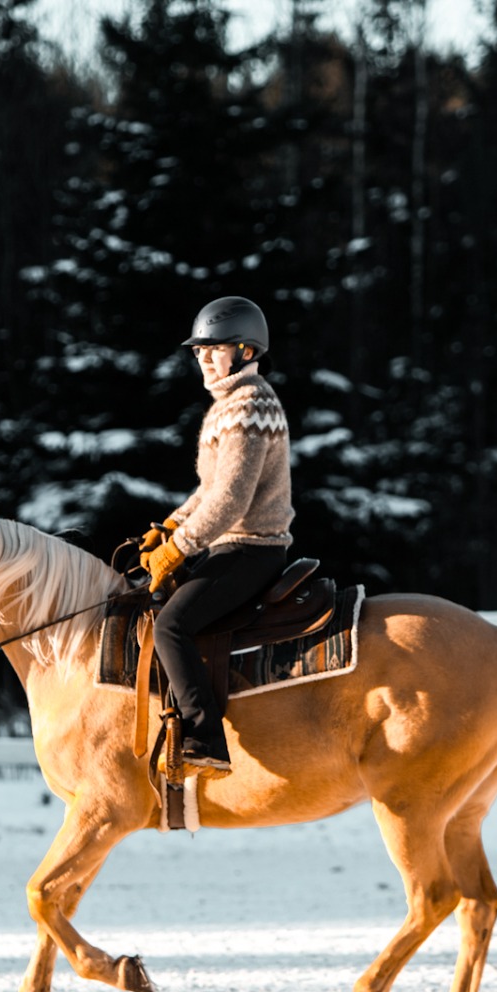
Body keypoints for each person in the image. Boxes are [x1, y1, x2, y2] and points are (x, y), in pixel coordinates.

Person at [138, 296, 294, 775]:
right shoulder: (229, 402)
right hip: (230, 543)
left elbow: (231, 502)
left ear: (247, 351)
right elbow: (209, 490)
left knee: (171, 626)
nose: (203, 357)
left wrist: (178, 548)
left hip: (253, 548)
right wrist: (170, 524)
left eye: (214, 347)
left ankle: (206, 741)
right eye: (198, 350)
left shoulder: (250, 403)